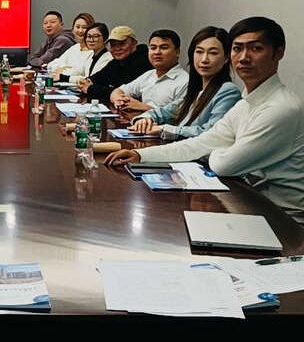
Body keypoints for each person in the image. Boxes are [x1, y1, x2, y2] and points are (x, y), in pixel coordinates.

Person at [105, 17, 304, 223]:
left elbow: (224, 165)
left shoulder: (281, 108)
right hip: (248, 203)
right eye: (237, 49)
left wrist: (218, 148)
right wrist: (140, 154)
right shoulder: (246, 103)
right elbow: (203, 141)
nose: (244, 57)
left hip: (282, 219)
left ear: (278, 52)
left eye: (256, 49)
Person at [127, 26, 241, 140]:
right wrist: (144, 119)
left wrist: (164, 129)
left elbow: (212, 133)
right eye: (199, 52)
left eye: (213, 53)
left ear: (226, 58)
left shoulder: (228, 90)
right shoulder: (197, 91)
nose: (204, 59)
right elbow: (165, 112)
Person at [110, 29, 189, 112]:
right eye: (153, 48)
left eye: (164, 48)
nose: (157, 52)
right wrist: (119, 100)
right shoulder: (150, 74)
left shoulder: (185, 81)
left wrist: (143, 107)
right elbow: (118, 91)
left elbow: (180, 115)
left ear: (177, 52)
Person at [78, 26, 152, 104]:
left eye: (122, 44)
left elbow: (120, 94)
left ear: (134, 43)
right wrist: (87, 83)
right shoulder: (116, 62)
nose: (117, 48)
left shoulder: (142, 62)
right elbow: (95, 79)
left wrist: (91, 89)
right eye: (113, 45)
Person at [47, 12, 95, 77]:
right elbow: (50, 65)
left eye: (84, 27)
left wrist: (64, 70)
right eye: (77, 27)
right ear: (72, 29)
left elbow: (85, 76)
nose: (80, 31)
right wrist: (64, 68)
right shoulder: (75, 48)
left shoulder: (93, 52)